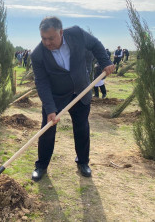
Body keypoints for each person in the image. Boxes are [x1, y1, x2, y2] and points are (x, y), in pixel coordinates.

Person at [31, 17, 114, 181]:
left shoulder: (76, 33)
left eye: (51, 38)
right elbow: (41, 82)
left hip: (81, 91)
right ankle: (41, 166)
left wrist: (105, 61)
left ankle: (83, 162)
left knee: (82, 128)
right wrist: (50, 109)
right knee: (47, 130)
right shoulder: (37, 54)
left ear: (61, 32)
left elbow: (95, 44)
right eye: (43, 38)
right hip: (56, 96)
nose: (47, 42)